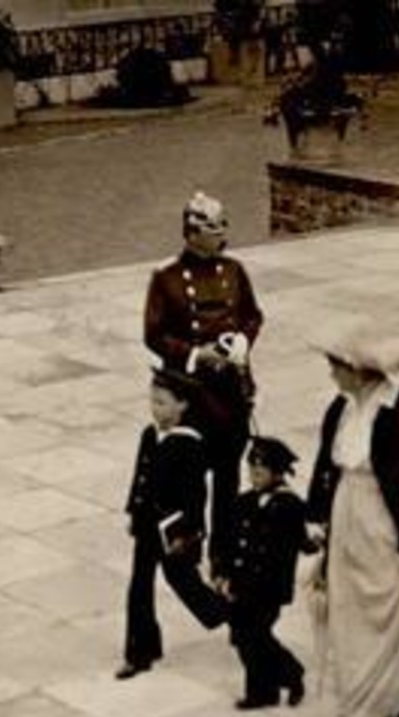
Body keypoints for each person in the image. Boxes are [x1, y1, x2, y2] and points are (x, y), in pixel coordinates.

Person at [303, 329, 399, 717]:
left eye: (337, 365)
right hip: (347, 510)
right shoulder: (339, 411)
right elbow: (325, 464)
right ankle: (358, 706)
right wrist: (315, 515)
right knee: (347, 612)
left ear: (359, 373)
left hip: (380, 519)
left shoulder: (392, 419)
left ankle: (368, 710)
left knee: (383, 611)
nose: (332, 372)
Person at [143, 191, 266, 573]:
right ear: (192, 233)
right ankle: (188, 548)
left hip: (230, 391)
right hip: (191, 395)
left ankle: (224, 555)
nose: (222, 238)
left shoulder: (233, 271)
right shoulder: (165, 278)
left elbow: (252, 315)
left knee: (228, 479)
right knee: (190, 479)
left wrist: (242, 340)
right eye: (213, 231)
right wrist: (198, 355)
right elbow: (154, 334)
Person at [117, 369, 231, 680]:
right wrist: (133, 512)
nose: (156, 409)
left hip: (173, 530)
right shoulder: (149, 435)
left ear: (182, 405)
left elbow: (196, 495)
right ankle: (140, 651)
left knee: (183, 581)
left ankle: (227, 613)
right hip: (147, 525)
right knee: (139, 587)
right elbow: (139, 478)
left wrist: (189, 532)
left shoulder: (190, 445)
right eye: (153, 402)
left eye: (163, 403)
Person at [221, 436, 310, 711]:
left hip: (268, 587)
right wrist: (222, 573)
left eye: (260, 471)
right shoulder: (245, 501)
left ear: (277, 473)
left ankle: (281, 678)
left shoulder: (290, 506)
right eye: (251, 470)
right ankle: (272, 686)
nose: (254, 476)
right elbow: (229, 541)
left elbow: (302, 542)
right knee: (242, 638)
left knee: (255, 635)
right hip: (240, 583)